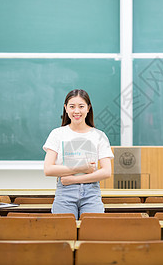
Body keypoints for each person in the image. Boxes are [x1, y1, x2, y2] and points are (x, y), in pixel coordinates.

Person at [43, 89, 113, 219]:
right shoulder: (57, 134)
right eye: (72, 106)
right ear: (65, 108)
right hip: (65, 192)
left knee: (93, 232)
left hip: (91, 192)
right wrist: (82, 168)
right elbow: (48, 169)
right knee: (64, 232)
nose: (76, 111)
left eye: (81, 106)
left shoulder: (99, 136)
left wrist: (74, 179)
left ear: (88, 108)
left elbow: (106, 172)